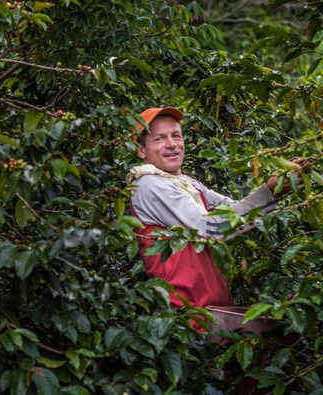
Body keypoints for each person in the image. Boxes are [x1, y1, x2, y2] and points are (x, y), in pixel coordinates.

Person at [127, 107, 300, 310]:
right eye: (159, 139)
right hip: (186, 312)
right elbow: (212, 228)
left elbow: (231, 210)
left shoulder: (186, 183)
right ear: (141, 150)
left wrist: (278, 187)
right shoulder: (150, 185)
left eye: (176, 136)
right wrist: (269, 191)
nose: (171, 144)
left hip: (211, 307)